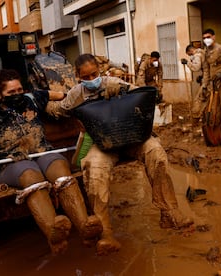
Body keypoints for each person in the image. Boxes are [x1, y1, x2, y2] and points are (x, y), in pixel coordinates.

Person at [46, 54, 193, 256]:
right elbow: (60, 110)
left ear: (100, 71)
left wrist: (123, 92)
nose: (91, 80)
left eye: (94, 74)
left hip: (132, 136)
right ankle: (105, 233)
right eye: (86, 77)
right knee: (93, 168)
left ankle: (169, 212)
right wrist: (44, 100)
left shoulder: (113, 83)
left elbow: (141, 98)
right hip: (104, 143)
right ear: (78, 76)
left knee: (156, 152)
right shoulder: (76, 94)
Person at [0, 69, 103, 255]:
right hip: (13, 163)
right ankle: (53, 232)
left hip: (43, 152)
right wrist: (2, 155)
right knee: (31, 175)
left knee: (61, 169)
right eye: (11, 92)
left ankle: (84, 227)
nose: (17, 95)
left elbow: (55, 94)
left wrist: (74, 97)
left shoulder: (31, 99)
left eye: (19, 90)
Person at [201, 29, 221, 128]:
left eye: (208, 37)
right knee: (213, 108)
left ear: (213, 37)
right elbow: (206, 70)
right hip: (212, 84)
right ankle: (217, 129)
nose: (206, 40)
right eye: (204, 38)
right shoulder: (205, 52)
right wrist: (204, 85)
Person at [181, 44, 206, 126]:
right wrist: (202, 76)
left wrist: (187, 63)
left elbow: (196, 68)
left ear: (191, 51)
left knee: (198, 100)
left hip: (208, 81)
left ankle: (195, 120)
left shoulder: (197, 55)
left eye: (189, 55)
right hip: (206, 78)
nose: (191, 57)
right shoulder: (203, 52)